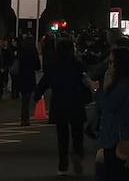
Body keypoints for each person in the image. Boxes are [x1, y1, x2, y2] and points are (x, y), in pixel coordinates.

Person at [34, 39, 91, 176]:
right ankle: (78, 154)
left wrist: (37, 95)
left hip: (59, 102)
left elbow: (44, 82)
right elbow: (84, 80)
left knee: (62, 136)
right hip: (75, 101)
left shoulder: (54, 65)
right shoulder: (77, 64)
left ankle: (63, 164)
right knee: (77, 133)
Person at [96, 47, 129, 180]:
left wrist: (104, 89)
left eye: (112, 63)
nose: (109, 67)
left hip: (117, 140)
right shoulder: (123, 84)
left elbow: (108, 107)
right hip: (113, 139)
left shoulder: (124, 87)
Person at [12, 36, 42, 125]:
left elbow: (16, 63)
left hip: (21, 76)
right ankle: (26, 118)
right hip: (30, 76)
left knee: (24, 99)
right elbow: (38, 66)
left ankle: (24, 118)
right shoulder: (33, 51)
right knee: (27, 99)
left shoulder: (21, 51)